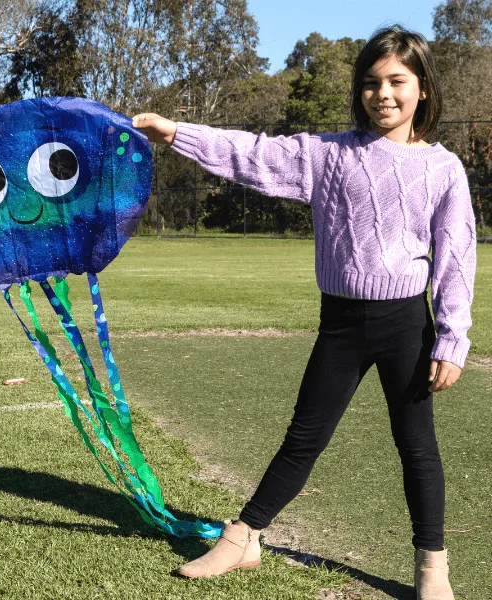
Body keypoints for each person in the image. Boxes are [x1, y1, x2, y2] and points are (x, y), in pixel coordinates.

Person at [132, 25, 476, 600]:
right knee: (305, 436)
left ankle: (433, 567)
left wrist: (451, 338)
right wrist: (175, 133)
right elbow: (252, 153)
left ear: (422, 90)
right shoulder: (328, 156)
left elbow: (457, 258)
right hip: (340, 324)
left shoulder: (443, 170)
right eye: (371, 83)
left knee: (416, 445)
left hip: (406, 327)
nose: (382, 94)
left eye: (397, 81)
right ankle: (244, 539)